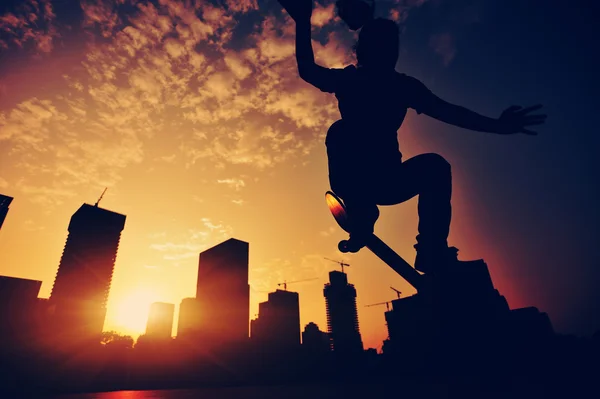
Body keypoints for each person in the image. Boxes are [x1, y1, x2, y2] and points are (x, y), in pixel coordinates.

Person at [285, 1, 546, 273]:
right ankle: (361, 212)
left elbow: (450, 112)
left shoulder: (403, 86)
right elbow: (307, 70)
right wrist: (302, 23)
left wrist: (498, 126)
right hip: (355, 180)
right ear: (365, 52)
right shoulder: (351, 80)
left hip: (389, 179)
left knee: (435, 166)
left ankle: (430, 251)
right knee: (338, 131)